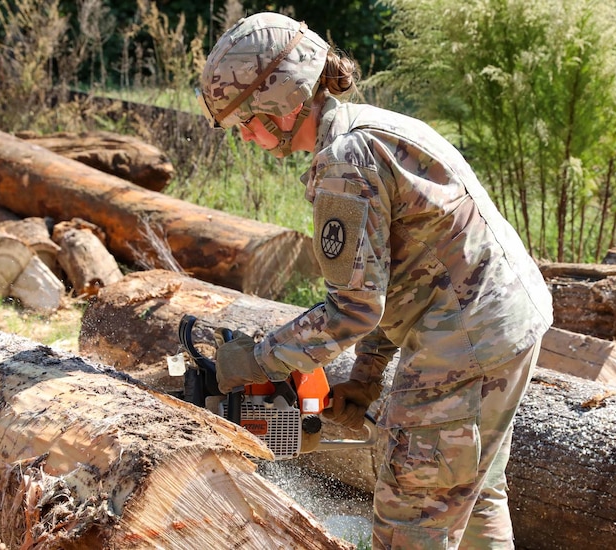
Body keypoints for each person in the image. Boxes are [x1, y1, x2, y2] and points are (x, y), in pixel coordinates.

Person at [197, 12, 553, 550]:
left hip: (464, 342)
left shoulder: (345, 162)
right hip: (503, 322)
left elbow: (352, 308)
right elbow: (407, 274)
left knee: (411, 516)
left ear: (284, 100)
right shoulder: (379, 127)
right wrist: (366, 375)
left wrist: (258, 359)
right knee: (474, 494)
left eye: (246, 118)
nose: (245, 135)